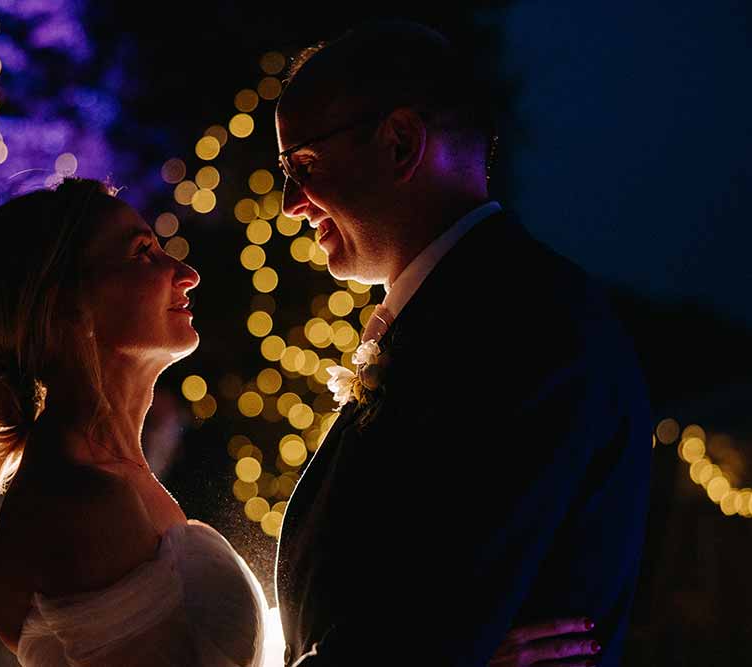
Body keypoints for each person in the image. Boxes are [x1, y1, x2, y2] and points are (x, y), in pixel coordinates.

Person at [273, 20, 651, 667]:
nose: (289, 203)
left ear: (399, 144)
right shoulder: (460, 313)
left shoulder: (524, 325)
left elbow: (439, 605)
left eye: (303, 165)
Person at [0, 178, 270, 666]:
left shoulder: (112, 476)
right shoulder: (84, 504)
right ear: (65, 303)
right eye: (143, 253)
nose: (186, 273)